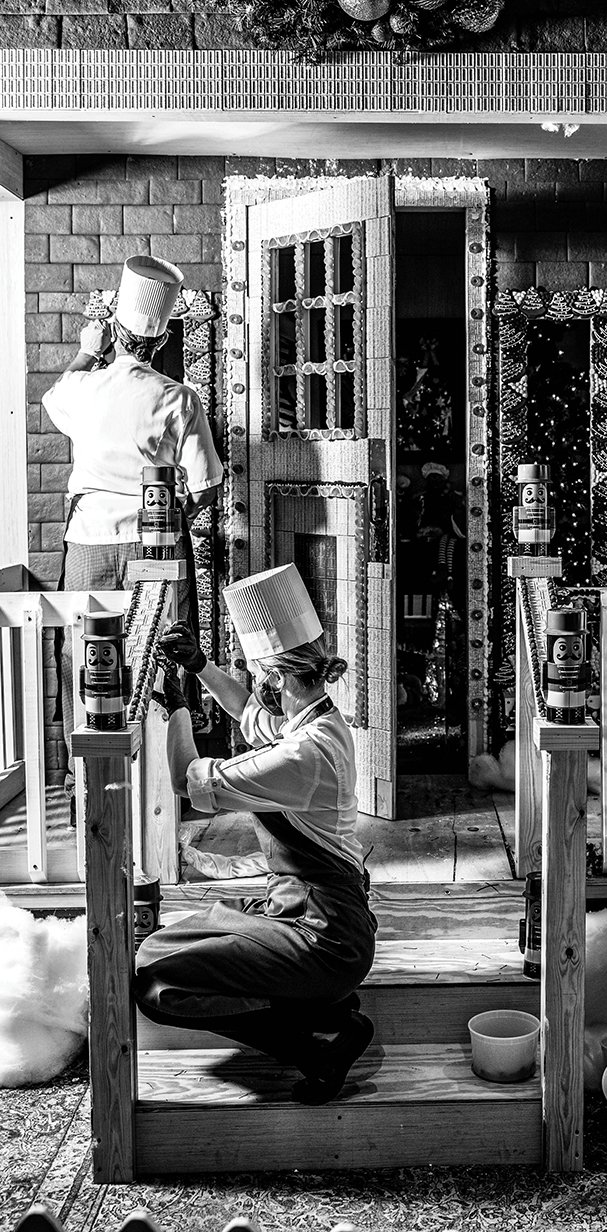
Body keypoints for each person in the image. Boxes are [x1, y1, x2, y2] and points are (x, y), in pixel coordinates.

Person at [137, 563, 377, 1104]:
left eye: (257, 673)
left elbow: (185, 781)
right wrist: (200, 667)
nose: (255, 685)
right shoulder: (318, 723)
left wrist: (176, 708)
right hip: (306, 913)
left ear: (274, 675)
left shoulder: (302, 755)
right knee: (160, 948)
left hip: (324, 938)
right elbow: (248, 713)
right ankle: (321, 1010)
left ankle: (314, 1046)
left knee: (157, 983)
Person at [42, 255, 223, 774]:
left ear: (113, 333)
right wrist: (175, 509)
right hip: (153, 545)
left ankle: (89, 785)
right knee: (164, 649)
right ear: (162, 341)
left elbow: (54, 396)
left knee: (87, 657)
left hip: (89, 543)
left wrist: (84, 352)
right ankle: (169, 783)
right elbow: (207, 488)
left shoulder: (84, 387)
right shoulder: (178, 397)